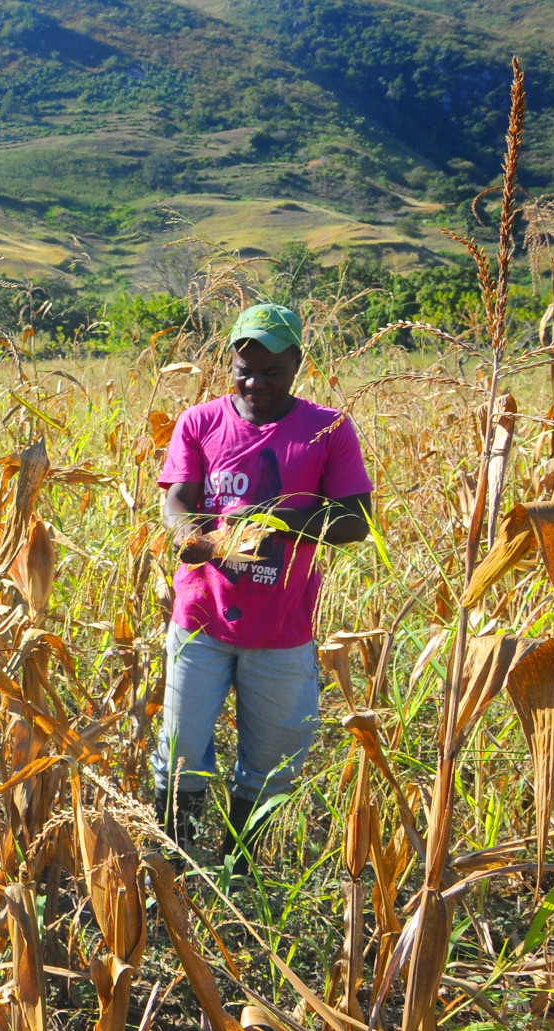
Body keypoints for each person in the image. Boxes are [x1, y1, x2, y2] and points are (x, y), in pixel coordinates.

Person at [154, 302, 374, 874]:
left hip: (282, 625)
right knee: (180, 756)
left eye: (271, 371)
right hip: (201, 616)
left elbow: (355, 522)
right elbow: (176, 498)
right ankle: (175, 873)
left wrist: (274, 520)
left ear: (297, 363)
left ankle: (239, 876)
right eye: (244, 371)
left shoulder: (327, 428)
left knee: (272, 766)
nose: (255, 384)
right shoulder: (200, 420)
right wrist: (190, 534)